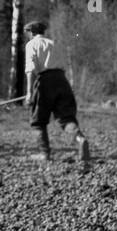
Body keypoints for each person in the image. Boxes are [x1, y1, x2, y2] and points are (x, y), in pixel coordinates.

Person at [24, 20, 90, 163]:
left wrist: (29, 92)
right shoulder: (54, 43)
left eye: (28, 33)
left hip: (45, 81)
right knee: (66, 118)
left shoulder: (31, 45)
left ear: (32, 32)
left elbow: (30, 70)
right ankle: (80, 139)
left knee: (38, 121)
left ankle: (44, 154)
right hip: (62, 80)